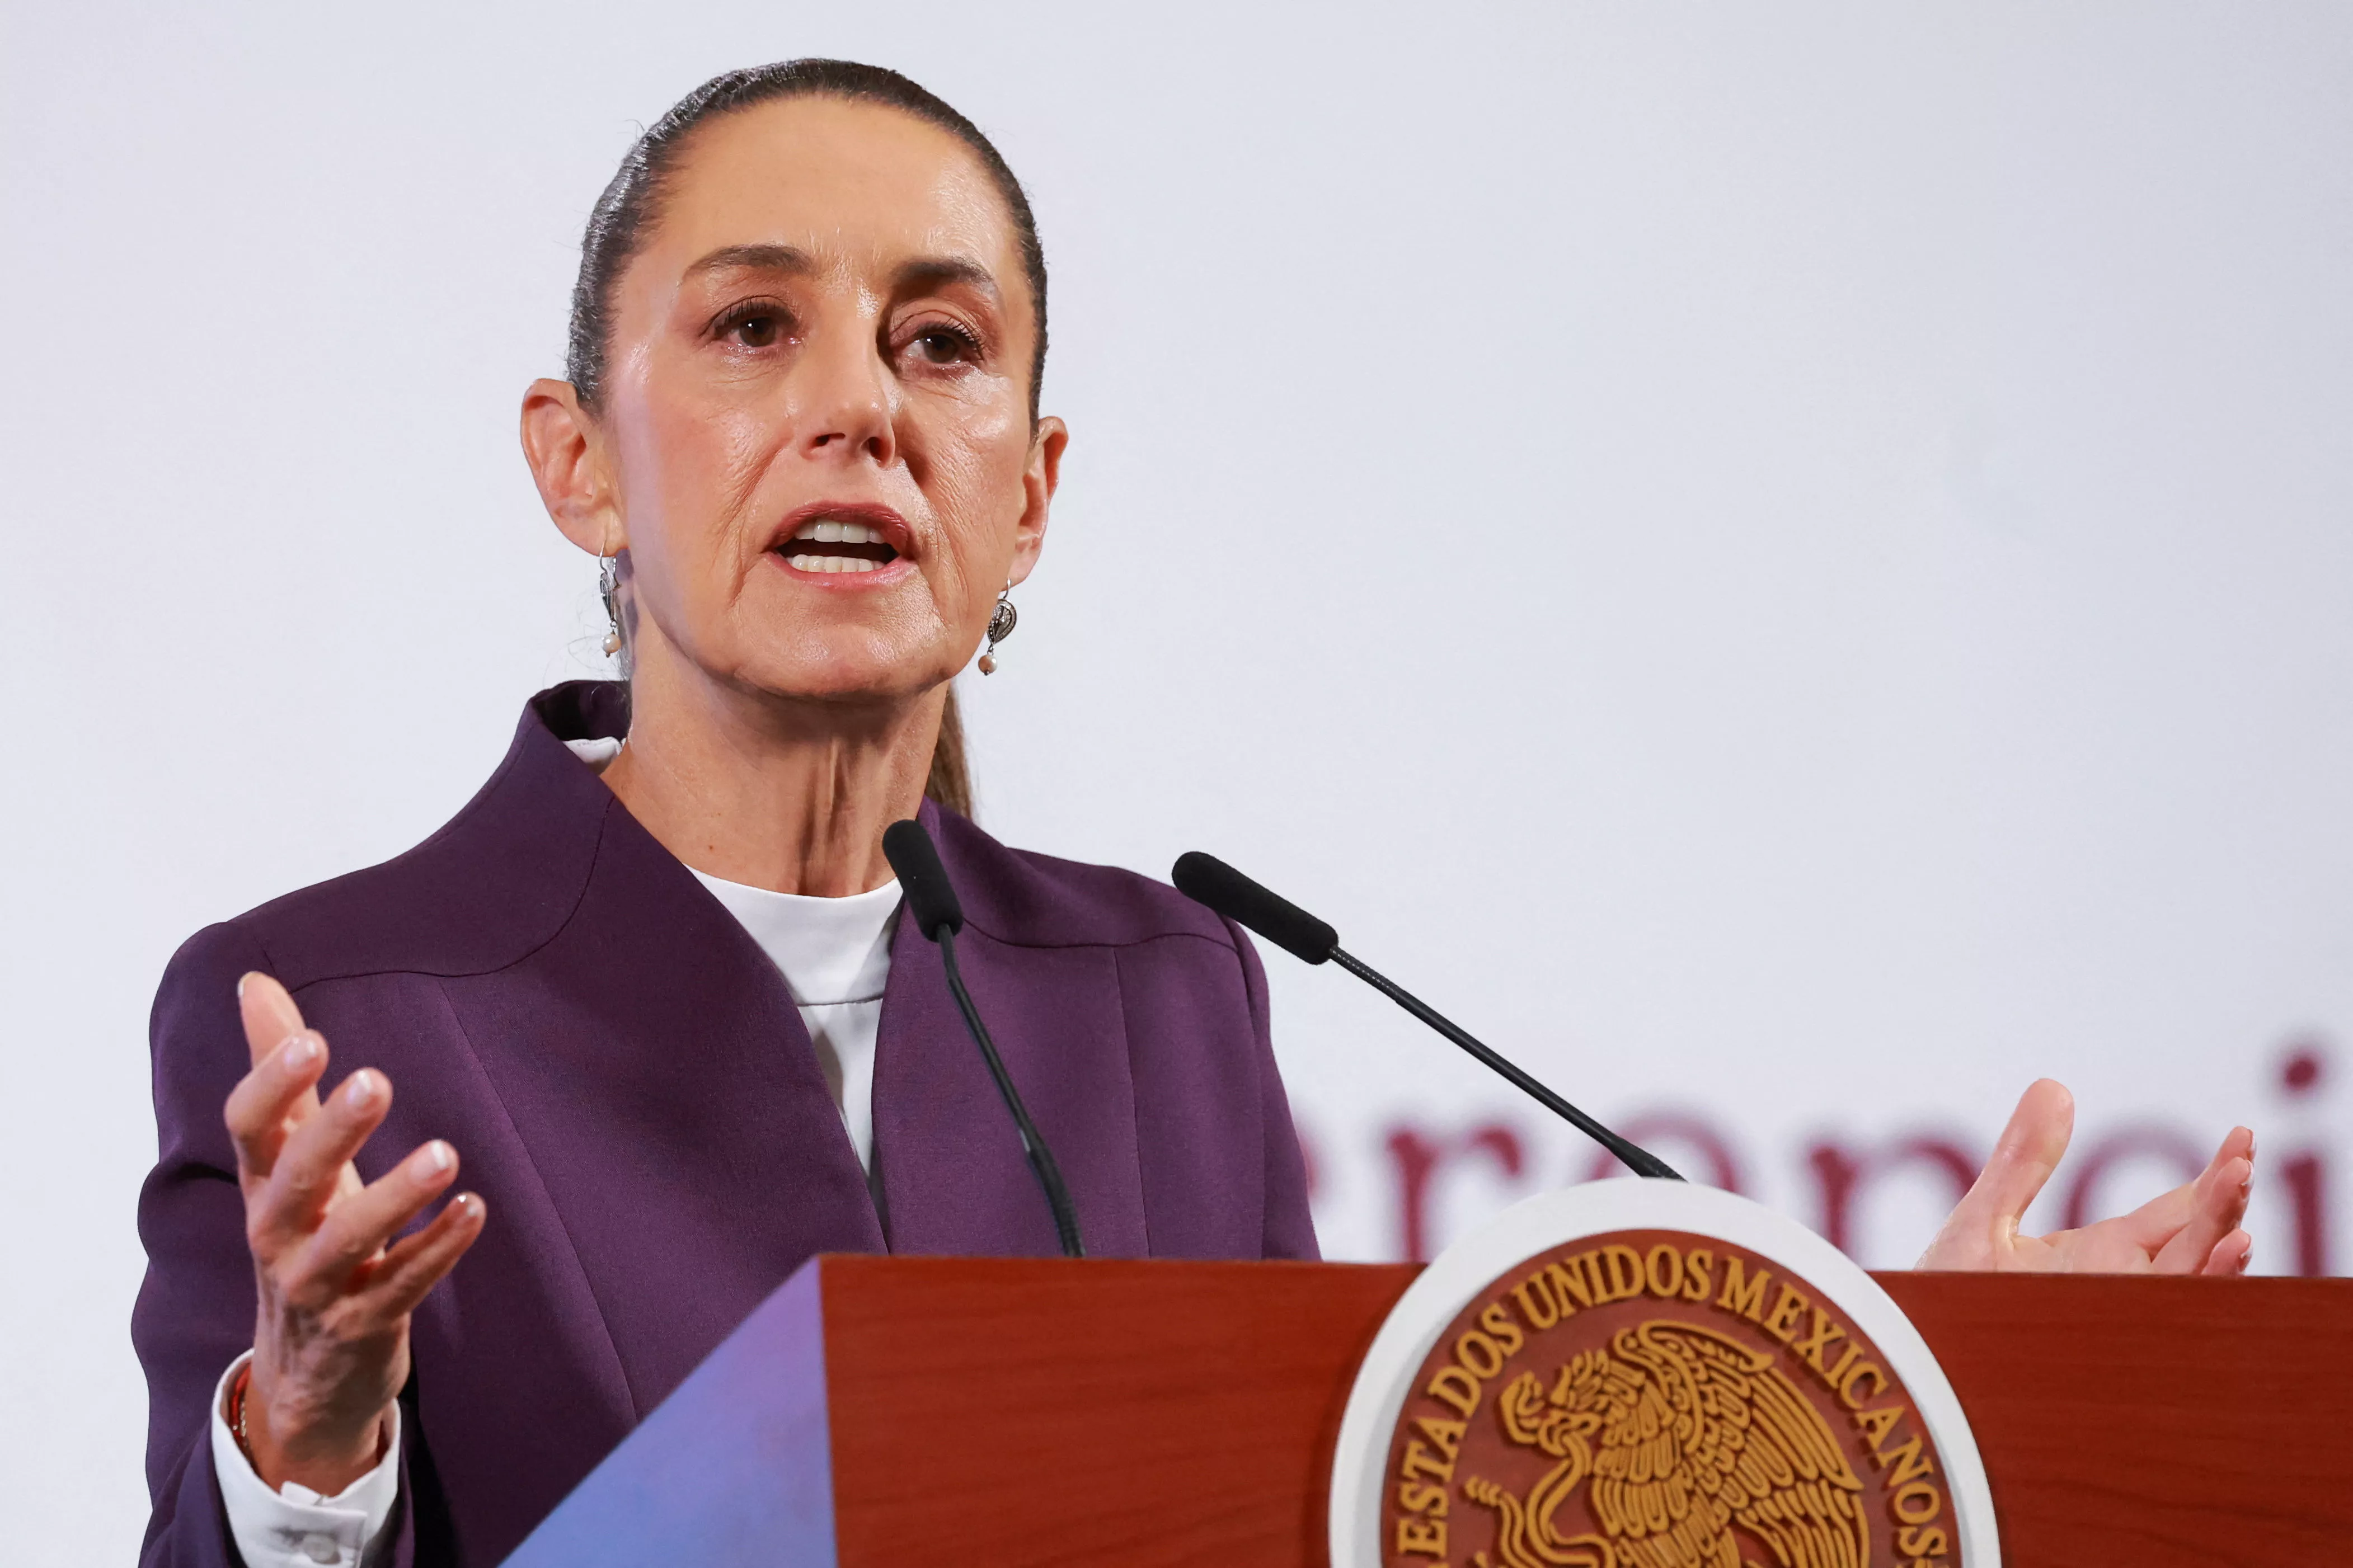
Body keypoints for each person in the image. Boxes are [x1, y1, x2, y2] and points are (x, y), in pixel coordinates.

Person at [132, 59, 2258, 1568]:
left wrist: (1889, 1377)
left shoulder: (1156, 990)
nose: (860, 404)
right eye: (756, 327)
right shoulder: (336, 1016)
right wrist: (304, 1444)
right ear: (579, 461)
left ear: (1029, 495)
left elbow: (1350, 1521)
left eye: (939, 344)